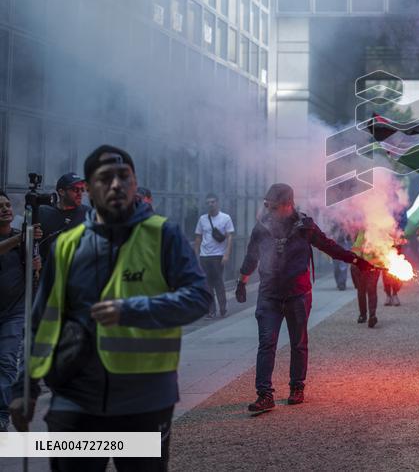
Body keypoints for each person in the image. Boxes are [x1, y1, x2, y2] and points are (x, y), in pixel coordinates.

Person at [10, 145, 211, 469]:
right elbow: (43, 320)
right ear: (88, 189)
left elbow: (200, 296)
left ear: (134, 184)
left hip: (144, 399)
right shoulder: (68, 245)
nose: (116, 184)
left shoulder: (164, 235)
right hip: (75, 398)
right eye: (105, 178)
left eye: (124, 176)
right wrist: (26, 387)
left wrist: (133, 310)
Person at [237, 183, 375, 413]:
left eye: (273, 207)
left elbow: (328, 246)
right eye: (266, 207)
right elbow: (252, 255)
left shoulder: (305, 227)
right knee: (266, 343)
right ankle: (264, 395)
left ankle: (297, 387)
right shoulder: (261, 227)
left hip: (298, 294)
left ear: (287, 205)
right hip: (269, 293)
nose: (268, 212)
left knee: (298, 343)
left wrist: (356, 260)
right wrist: (242, 281)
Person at [0, 192, 41, 433]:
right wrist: (22, 238)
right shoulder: (17, 239)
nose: (5, 209)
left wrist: (36, 266)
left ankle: (2, 414)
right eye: (0, 207)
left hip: (13, 311)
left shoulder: (21, 239)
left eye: (7, 205)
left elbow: (34, 276)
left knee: (6, 360)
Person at [193, 193, 235, 319]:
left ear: (217, 203)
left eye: (212, 202)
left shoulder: (225, 218)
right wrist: (196, 255)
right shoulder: (202, 219)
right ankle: (211, 310)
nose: (210, 204)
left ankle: (223, 307)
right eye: (208, 203)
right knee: (207, 283)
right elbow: (198, 237)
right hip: (204, 255)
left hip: (218, 255)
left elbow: (229, 237)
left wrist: (226, 254)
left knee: (217, 282)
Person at [37, 172, 91, 268]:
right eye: (75, 189)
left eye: (82, 189)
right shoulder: (44, 213)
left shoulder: (88, 214)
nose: (80, 193)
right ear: (61, 192)